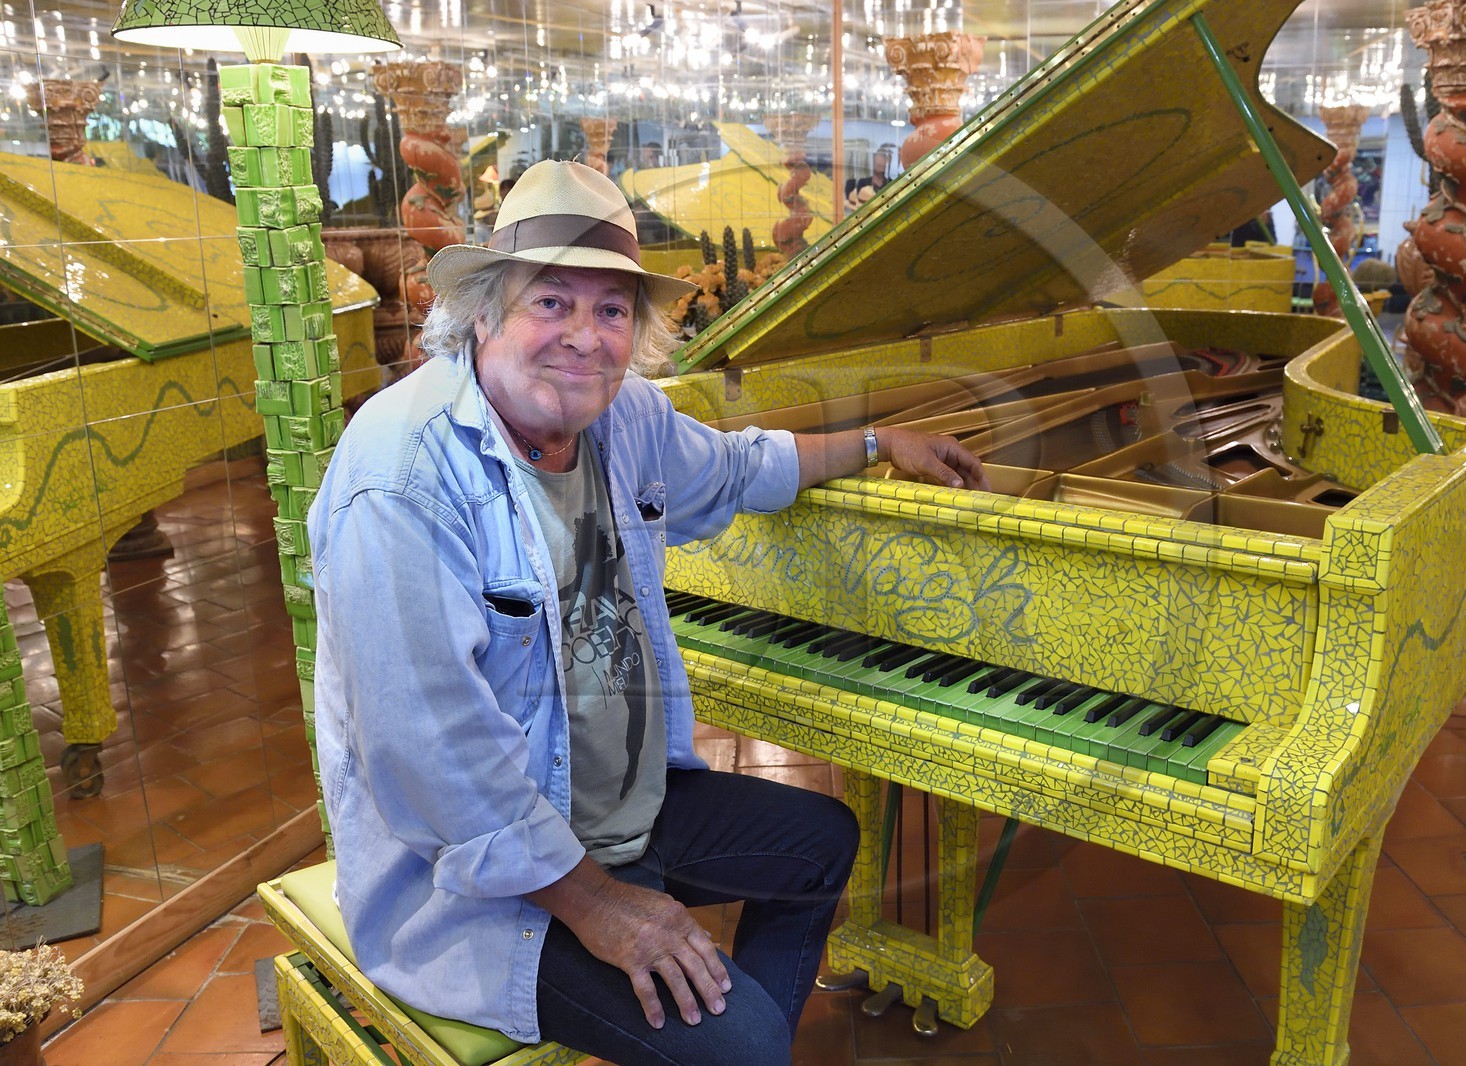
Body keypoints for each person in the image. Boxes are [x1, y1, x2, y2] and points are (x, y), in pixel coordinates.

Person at [307, 160, 989, 1066]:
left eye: (612, 310)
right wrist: (601, 906)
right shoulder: (401, 473)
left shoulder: (622, 418)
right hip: (476, 884)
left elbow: (743, 465)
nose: (585, 339)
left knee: (823, 841)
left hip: (615, 809)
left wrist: (875, 441)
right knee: (740, 1046)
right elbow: (433, 756)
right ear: (481, 310)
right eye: (551, 302)